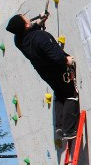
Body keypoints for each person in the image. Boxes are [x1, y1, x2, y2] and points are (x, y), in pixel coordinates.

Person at [6, 12, 80, 142]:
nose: (27, 17)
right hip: (58, 69)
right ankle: (69, 130)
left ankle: (60, 126)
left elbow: (27, 32)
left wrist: (38, 23)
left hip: (45, 72)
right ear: (26, 24)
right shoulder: (40, 37)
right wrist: (67, 60)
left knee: (59, 92)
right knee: (70, 94)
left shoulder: (18, 41)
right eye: (25, 17)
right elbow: (57, 56)